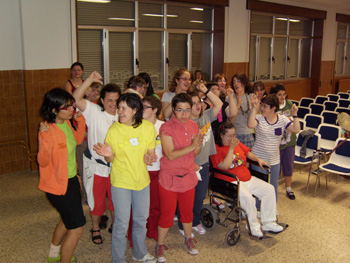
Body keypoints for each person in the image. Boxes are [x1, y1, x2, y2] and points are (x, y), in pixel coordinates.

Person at [94, 93, 157, 263]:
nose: (118, 111)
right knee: (121, 223)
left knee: (140, 220)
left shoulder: (148, 127)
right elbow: (110, 158)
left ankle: (139, 252)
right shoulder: (114, 130)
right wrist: (108, 155)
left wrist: (149, 157)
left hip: (142, 181)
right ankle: (118, 259)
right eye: (118, 107)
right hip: (121, 182)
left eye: (123, 108)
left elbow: (150, 151)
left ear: (135, 110)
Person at [210, 122, 284, 237]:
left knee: (269, 189)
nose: (233, 138)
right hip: (230, 181)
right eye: (229, 136)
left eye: (234, 135)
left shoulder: (237, 143)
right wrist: (231, 149)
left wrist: (259, 160)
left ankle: (269, 222)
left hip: (246, 178)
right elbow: (224, 166)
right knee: (249, 199)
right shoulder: (216, 149)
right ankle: (254, 227)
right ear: (221, 135)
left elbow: (248, 153)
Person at [38, 88, 86, 263]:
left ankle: (53, 254)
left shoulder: (65, 124)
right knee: (77, 227)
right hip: (58, 186)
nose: (72, 110)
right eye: (67, 107)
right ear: (54, 110)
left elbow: (77, 141)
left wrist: (80, 122)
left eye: (71, 106)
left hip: (71, 180)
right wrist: (44, 138)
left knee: (67, 221)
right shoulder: (47, 130)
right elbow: (42, 161)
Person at [73, 71, 121, 245]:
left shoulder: (123, 116)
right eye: (109, 100)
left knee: (116, 200)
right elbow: (76, 99)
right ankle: (95, 227)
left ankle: (115, 225)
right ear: (101, 100)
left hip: (117, 166)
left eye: (116, 100)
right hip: (96, 166)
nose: (113, 104)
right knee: (96, 200)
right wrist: (90, 81)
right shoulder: (94, 112)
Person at [156, 93, 203, 263]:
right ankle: (160, 244)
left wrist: (197, 145)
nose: (184, 114)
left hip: (188, 176)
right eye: (180, 110)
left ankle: (188, 238)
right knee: (167, 214)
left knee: (187, 212)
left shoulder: (193, 126)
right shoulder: (166, 128)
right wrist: (192, 145)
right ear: (173, 110)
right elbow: (169, 154)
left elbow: (196, 153)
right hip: (169, 177)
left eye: (187, 110)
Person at [176, 82, 223, 235]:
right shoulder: (185, 123)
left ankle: (194, 221)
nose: (197, 106)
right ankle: (184, 224)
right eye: (193, 103)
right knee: (187, 197)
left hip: (204, 164)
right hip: (189, 166)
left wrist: (205, 90)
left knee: (200, 196)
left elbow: (219, 103)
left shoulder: (207, 116)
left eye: (199, 102)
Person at [248, 94, 300, 203]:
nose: (262, 109)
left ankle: (271, 209)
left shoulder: (282, 119)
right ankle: (257, 208)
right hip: (259, 159)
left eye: (265, 106)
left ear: (273, 108)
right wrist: (254, 107)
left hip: (274, 160)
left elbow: (296, 129)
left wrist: (295, 116)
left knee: (273, 186)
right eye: (261, 106)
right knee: (259, 186)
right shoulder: (259, 118)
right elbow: (250, 124)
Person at [269, 84, 297, 200]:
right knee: (275, 167)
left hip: (289, 141)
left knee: (288, 164)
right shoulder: (272, 106)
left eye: (284, 94)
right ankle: (272, 189)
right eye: (279, 95)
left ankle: (288, 188)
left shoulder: (290, 105)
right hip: (276, 142)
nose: (282, 97)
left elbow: (294, 122)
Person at [231, 73, 255, 149]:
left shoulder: (251, 96)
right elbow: (230, 120)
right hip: (236, 134)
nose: (236, 84)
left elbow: (255, 117)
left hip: (249, 133)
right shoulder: (231, 97)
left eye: (238, 81)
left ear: (244, 83)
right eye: (234, 82)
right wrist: (238, 104)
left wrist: (255, 106)